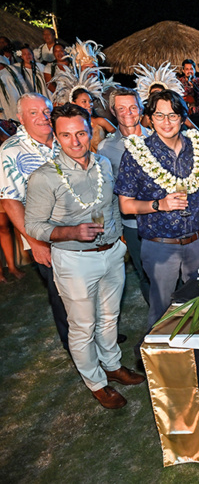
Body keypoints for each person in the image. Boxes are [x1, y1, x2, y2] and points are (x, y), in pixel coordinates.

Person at [25, 103, 145, 409]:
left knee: (109, 318)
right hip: (74, 261)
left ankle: (113, 365)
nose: (75, 141)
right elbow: (34, 225)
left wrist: (120, 241)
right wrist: (70, 232)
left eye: (81, 133)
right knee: (82, 326)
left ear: (90, 130)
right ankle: (96, 382)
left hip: (111, 254)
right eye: (66, 135)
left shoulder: (103, 163)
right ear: (56, 136)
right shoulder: (44, 177)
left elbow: (113, 207)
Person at [115, 89, 199, 335]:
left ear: (182, 118)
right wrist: (159, 204)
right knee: (162, 310)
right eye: (159, 116)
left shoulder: (196, 146)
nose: (167, 122)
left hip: (197, 240)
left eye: (172, 115)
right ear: (149, 118)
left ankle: (198, 361)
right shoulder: (137, 153)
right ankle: (162, 366)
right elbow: (125, 205)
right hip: (160, 245)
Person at [0, 93, 69, 350]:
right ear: (20, 118)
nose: (43, 117)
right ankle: (75, 348)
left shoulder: (63, 138)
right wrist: (35, 243)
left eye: (46, 111)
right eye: (33, 112)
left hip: (79, 232)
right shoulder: (11, 151)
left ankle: (97, 335)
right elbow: (10, 202)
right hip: (46, 239)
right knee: (63, 297)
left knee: (90, 288)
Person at [97, 87, 152, 303]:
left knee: (173, 273)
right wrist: (115, 229)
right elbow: (108, 192)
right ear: (112, 111)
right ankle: (159, 321)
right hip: (132, 226)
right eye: (121, 108)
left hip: (164, 220)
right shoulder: (105, 148)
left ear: (140, 108)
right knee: (145, 274)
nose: (127, 113)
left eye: (132, 107)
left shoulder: (157, 139)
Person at [0, 55, 25, 121]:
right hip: (2, 102)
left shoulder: (10, 69)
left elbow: (22, 83)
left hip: (15, 96)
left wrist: (26, 96)